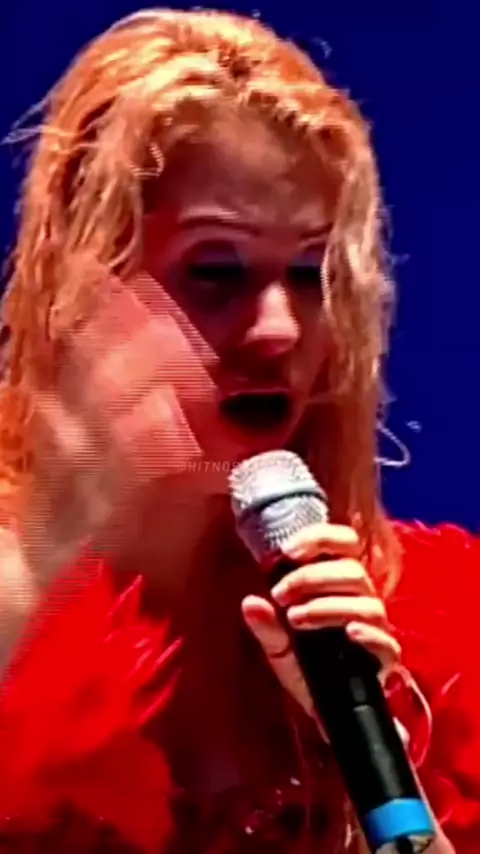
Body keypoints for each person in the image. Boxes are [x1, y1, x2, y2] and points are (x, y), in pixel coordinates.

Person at [0, 8, 478, 853]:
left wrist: (379, 774)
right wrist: (41, 557)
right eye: (216, 271)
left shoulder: (426, 634)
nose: (279, 330)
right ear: (80, 293)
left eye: (309, 274)